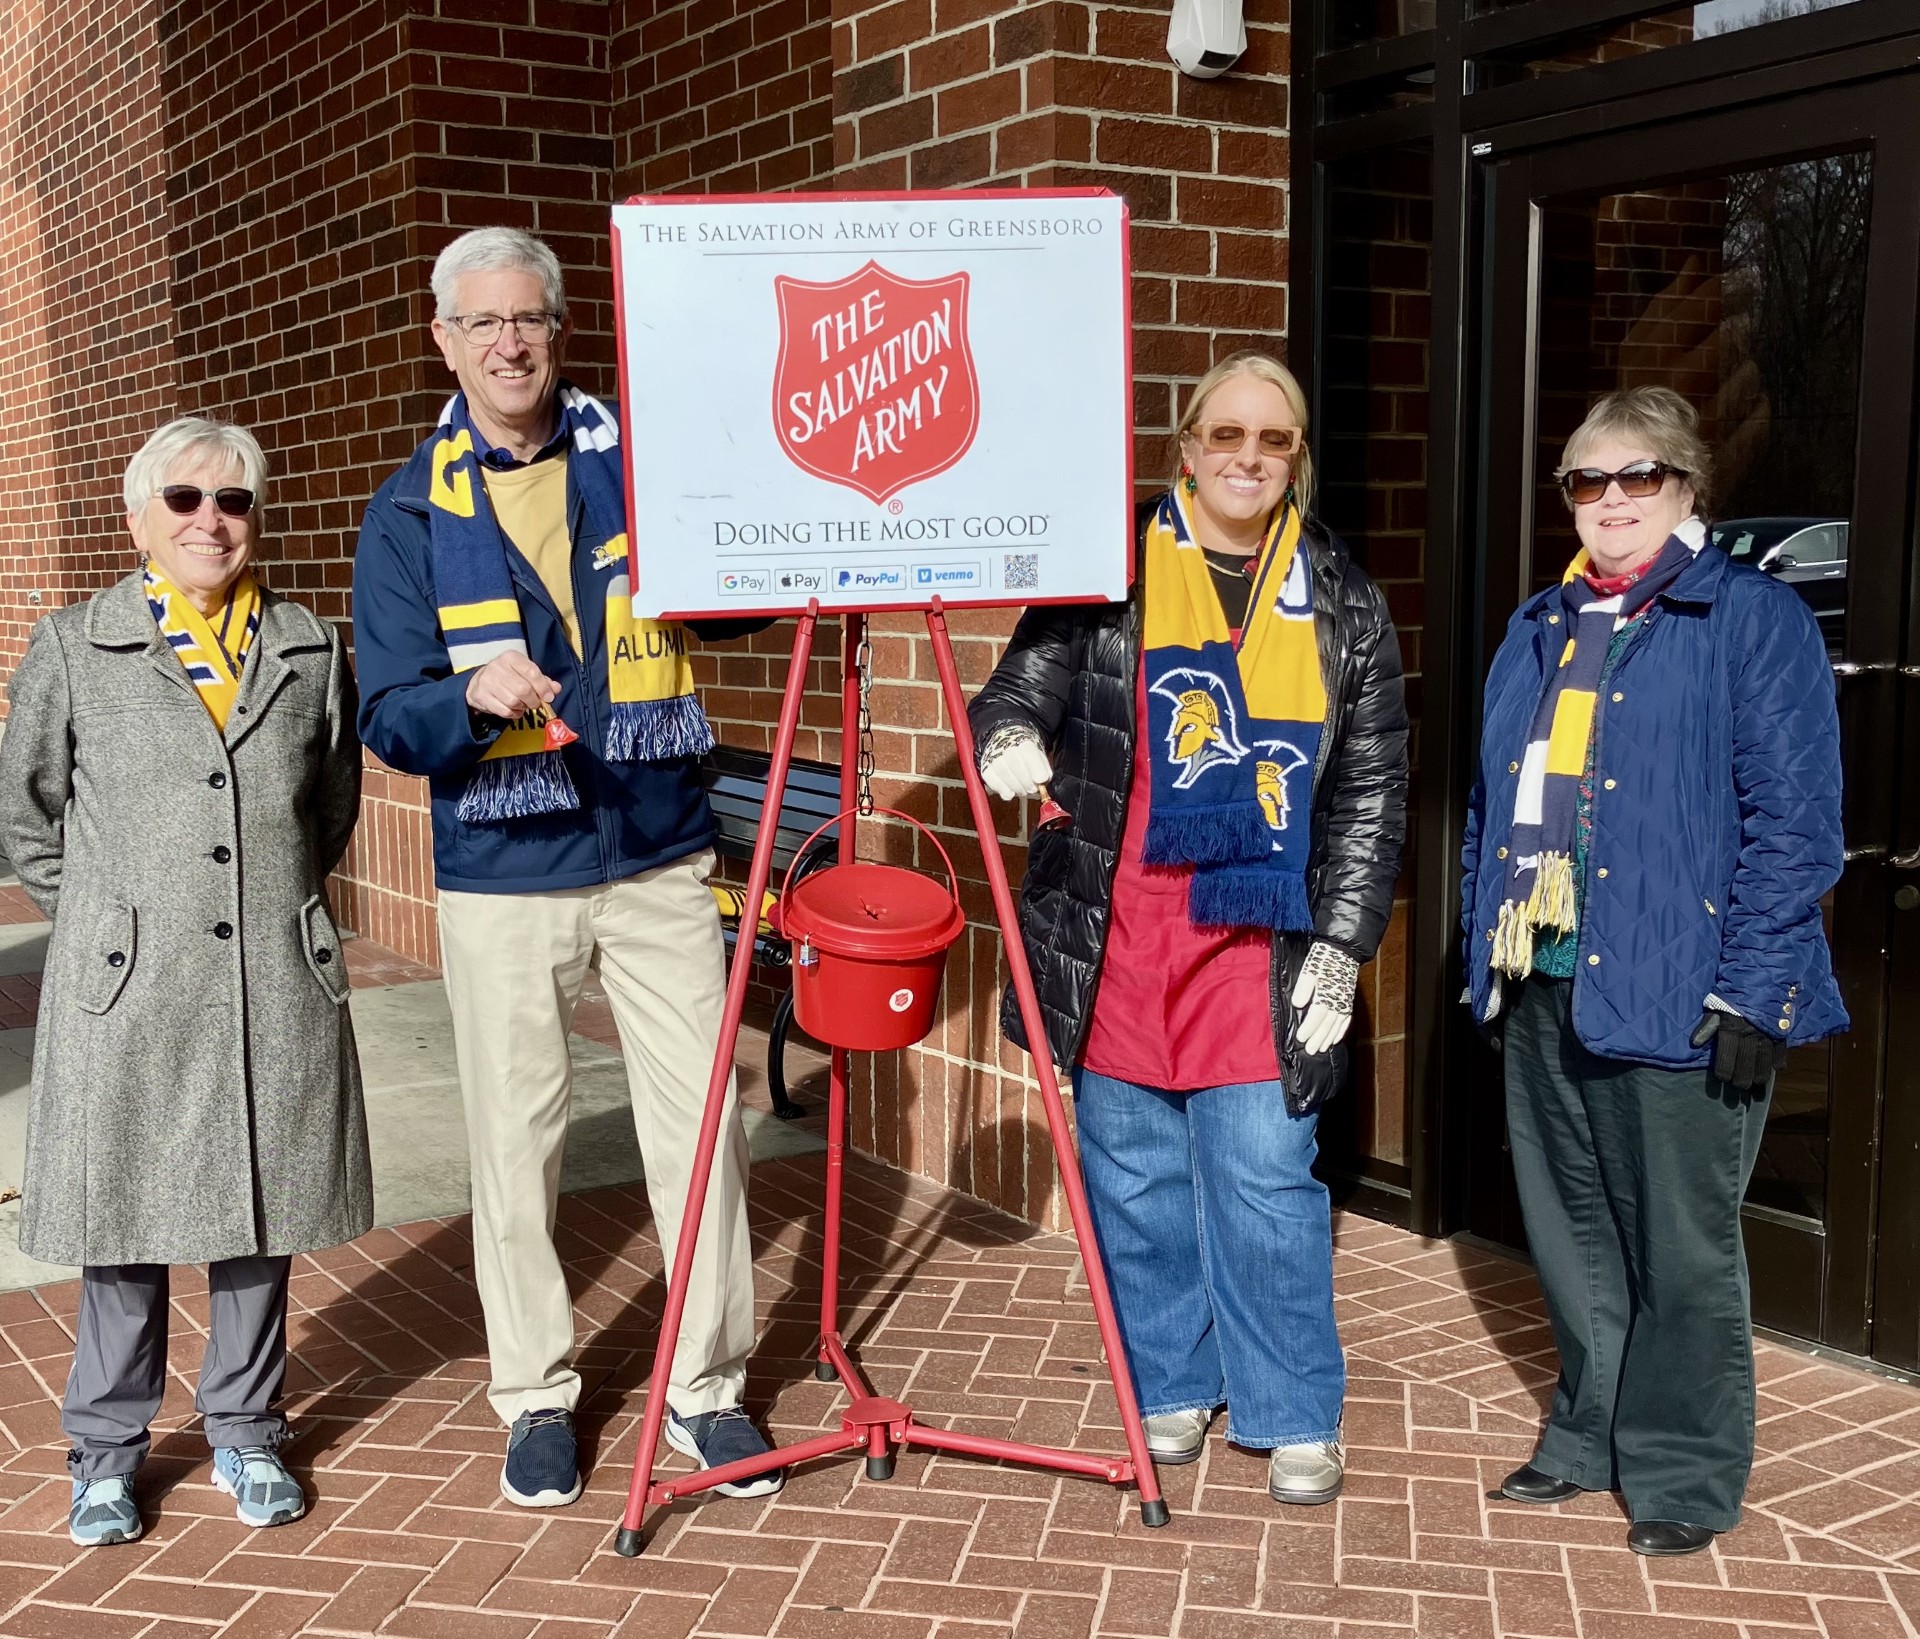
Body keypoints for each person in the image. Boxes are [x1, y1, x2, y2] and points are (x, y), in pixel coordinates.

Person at [352, 227, 779, 1509]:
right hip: (502, 864)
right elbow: (387, 712)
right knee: (515, 1142)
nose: (509, 343)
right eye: (481, 324)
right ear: (444, 340)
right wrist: (470, 698)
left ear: (557, 326)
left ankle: (708, 1388)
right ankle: (536, 1393)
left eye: (527, 317)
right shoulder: (409, 509)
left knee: (701, 1132)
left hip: (653, 847)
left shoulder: (641, 472)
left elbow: (735, 592)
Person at [967, 352, 1408, 1504]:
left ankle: (1293, 1405)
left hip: (1259, 938)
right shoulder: (1105, 570)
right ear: (1188, 449)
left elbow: (1371, 791)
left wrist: (1346, 944)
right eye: (1228, 435)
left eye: (1274, 440)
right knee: (1134, 1169)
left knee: (1265, 1172)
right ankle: (1169, 1378)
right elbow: (1016, 690)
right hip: (1118, 924)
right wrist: (1009, 739)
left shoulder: (1344, 604)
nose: (1248, 458)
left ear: (1296, 459)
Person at [1460, 386, 1847, 1557]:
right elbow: (1490, 806)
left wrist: (1754, 985)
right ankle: (1586, 1438)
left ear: (1686, 486)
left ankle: (1681, 1470)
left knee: (1680, 1246)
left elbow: (1797, 823)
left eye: (1641, 475)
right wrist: (1490, 947)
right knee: (1572, 1231)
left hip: (1687, 986)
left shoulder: (1749, 616)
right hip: (1549, 976)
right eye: (1590, 479)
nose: (1614, 499)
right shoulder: (1540, 624)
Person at [0, 417, 367, 1547]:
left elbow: (330, 806)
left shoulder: (307, 646)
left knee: (260, 1209)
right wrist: (105, 919)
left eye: (235, 501)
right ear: (139, 519)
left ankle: (247, 1430)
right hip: (130, 986)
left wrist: (276, 905)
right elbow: (27, 812)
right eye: (185, 499)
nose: (212, 520)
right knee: (124, 1216)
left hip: (270, 973)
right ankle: (107, 1452)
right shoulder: (74, 645)